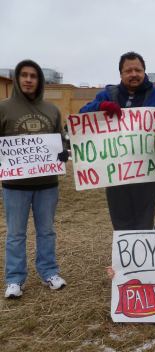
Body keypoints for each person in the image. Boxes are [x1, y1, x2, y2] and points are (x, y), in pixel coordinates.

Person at [79, 52, 155, 231]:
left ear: (144, 71)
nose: (133, 74)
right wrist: (99, 107)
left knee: (144, 221)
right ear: (121, 74)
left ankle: (142, 257)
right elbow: (81, 116)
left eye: (137, 70)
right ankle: (124, 258)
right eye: (128, 70)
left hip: (147, 174)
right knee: (120, 222)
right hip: (116, 175)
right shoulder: (108, 94)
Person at [0, 60, 69, 298]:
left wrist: (63, 152)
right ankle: (14, 279)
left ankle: (49, 272)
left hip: (47, 183)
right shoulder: (4, 108)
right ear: (17, 79)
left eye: (33, 76)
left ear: (39, 80)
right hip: (14, 185)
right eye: (24, 75)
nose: (29, 79)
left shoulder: (52, 110)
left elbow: (61, 140)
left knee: (47, 231)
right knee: (16, 233)